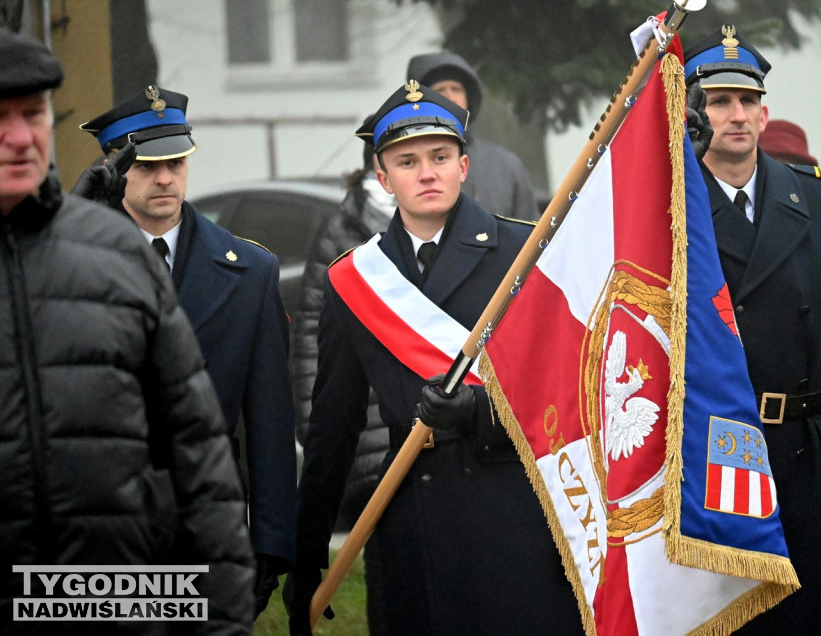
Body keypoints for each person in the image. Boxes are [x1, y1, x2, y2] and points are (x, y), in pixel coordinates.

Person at [284, 81, 582, 635]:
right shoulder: (354, 279)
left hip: (515, 513)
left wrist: (478, 412)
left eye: (440, 157)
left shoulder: (524, 254)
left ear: (464, 166)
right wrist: (307, 556)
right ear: (382, 177)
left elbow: (565, 391)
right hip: (412, 520)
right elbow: (333, 427)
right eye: (407, 161)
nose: (427, 173)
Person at [0, 28, 253, 632]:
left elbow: (200, 459)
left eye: (33, 114)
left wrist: (219, 618)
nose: (19, 138)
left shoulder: (116, 252)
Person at [76, 87, 297, 618]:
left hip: (204, 517)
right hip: (98, 517)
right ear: (114, 166)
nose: (166, 179)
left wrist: (271, 540)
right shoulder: (72, 262)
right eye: (147, 166)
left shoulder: (250, 272)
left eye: (175, 162)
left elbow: (268, 418)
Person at [682, 25, 821, 635]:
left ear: (765, 114)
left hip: (804, 456)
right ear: (694, 111)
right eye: (718, 101)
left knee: (806, 620)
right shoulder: (669, 207)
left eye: (747, 101)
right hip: (711, 456)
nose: (735, 115)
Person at [288, 135, 392, 633]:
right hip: (366, 434)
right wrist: (316, 426)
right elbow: (311, 333)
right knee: (391, 576)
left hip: (434, 431)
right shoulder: (339, 232)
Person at [407, 51, 539, 220]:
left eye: (457, 89)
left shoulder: (506, 165)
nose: (451, 97)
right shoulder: (403, 164)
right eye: (440, 90)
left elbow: (532, 233)